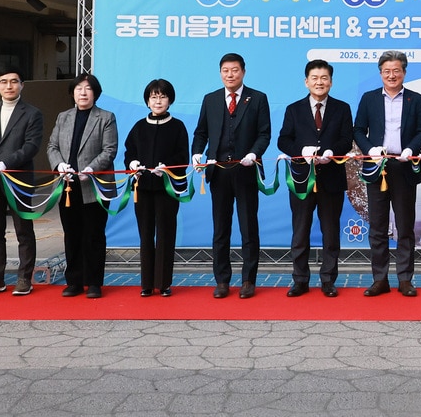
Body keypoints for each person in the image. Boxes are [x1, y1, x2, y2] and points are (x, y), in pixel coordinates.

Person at [192, 52, 271, 299]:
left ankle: (248, 280)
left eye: (235, 70)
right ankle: (222, 281)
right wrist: (196, 153)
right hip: (219, 173)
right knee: (221, 229)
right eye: (225, 70)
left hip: (245, 171)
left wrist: (253, 153)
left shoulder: (257, 98)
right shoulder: (211, 99)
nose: (230, 74)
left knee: (249, 228)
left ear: (243, 72)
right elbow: (201, 132)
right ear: (220, 73)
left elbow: (264, 134)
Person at [353, 50, 421, 298]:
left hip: (404, 166)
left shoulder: (416, 99)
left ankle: (405, 279)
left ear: (404, 72)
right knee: (377, 227)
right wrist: (369, 150)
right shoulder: (369, 98)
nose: (391, 75)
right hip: (377, 167)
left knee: (405, 226)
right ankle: (380, 279)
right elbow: (357, 130)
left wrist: (411, 148)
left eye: (396, 70)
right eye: (387, 71)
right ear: (380, 74)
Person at [276, 60, 353, 298]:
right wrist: (302, 151)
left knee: (331, 232)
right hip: (302, 180)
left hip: (331, 179)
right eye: (315, 78)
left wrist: (331, 151)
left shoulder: (342, 108)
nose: (320, 82)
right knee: (300, 232)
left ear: (331, 81)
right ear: (306, 81)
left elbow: (346, 137)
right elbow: (283, 140)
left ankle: (328, 280)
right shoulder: (293, 109)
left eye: (324, 78)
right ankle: (300, 280)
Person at [0, 68, 44, 297]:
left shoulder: (32, 113)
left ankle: (24, 278)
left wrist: (5, 163)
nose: (9, 86)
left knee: (24, 230)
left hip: (18, 180)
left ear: (22, 85)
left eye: (14, 81)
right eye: (4, 82)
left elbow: (31, 147)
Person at [47, 72, 118, 298]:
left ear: (95, 93)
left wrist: (91, 169)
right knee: (72, 234)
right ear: (72, 93)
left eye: (88, 89)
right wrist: (59, 165)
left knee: (94, 234)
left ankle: (94, 282)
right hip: (67, 185)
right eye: (79, 89)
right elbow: (52, 146)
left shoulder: (106, 117)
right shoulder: (63, 117)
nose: (83, 93)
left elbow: (109, 149)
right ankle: (74, 281)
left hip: (94, 184)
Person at [124, 78, 190, 297]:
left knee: (165, 234)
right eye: (154, 96)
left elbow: (183, 155)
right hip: (142, 189)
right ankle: (146, 283)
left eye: (162, 96)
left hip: (166, 189)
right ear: (147, 100)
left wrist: (167, 167)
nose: (158, 101)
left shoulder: (178, 126)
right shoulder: (139, 126)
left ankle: (163, 283)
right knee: (145, 235)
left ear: (170, 100)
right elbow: (129, 151)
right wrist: (132, 163)